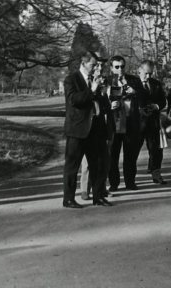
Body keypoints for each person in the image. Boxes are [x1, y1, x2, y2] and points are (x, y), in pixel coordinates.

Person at [61, 51, 112, 208]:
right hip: (78, 129)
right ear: (83, 64)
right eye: (93, 65)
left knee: (98, 164)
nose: (96, 68)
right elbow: (74, 100)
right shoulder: (71, 79)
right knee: (72, 166)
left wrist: (102, 93)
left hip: (96, 128)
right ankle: (68, 199)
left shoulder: (97, 80)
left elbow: (102, 105)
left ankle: (98, 196)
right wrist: (92, 89)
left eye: (97, 65)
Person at [108, 55, 144, 191]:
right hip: (114, 123)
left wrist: (135, 92)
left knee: (130, 155)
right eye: (117, 67)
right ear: (111, 68)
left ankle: (130, 182)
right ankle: (114, 183)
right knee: (113, 155)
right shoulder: (107, 81)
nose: (120, 69)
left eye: (122, 66)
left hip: (130, 122)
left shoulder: (134, 80)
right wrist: (110, 103)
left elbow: (144, 96)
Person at [137, 60, 168, 185]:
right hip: (138, 123)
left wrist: (157, 105)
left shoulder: (156, 84)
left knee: (156, 150)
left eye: (151, 73)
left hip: (153, 123)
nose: (148, 76)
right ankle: (130, 179)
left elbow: (163, 101)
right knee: (133, 151)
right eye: (146, 73)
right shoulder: (133, 84)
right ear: (140, 70)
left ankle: (156, 174)